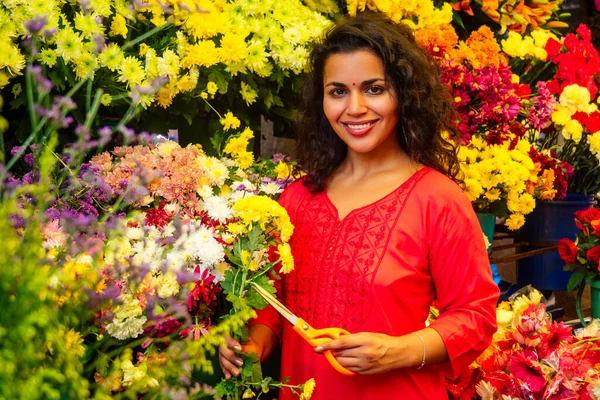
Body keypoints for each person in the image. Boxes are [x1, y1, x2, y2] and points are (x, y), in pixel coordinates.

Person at [219, 11, 499, 400]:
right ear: (321, 102)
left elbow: (475, 317)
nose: (354, 107)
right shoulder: (297, 197)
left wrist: (397, 351)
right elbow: (274, 298)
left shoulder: (438, 199)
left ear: (403, 94)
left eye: (373, 89)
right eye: (337, 91)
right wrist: (253, 344)